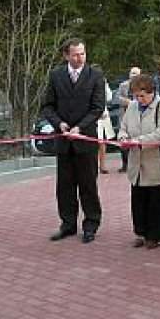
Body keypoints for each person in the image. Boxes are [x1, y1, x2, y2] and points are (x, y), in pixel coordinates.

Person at [41, 37, 105, 244]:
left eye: (83, 53)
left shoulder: (95, 75)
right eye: (75, 54)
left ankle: (91, 224)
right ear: (66, 55)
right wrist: (59, 123)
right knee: (65, 187)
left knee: (88, 185)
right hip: (64, 142)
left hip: (85, 140)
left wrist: (80, 127)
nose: (80, 58)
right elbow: (48, 106)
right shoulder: (56, 75)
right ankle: (67, 224)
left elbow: (97, 107)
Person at [118, 74, 160, 249]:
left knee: (155, 200)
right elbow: (123, 127)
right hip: (136, 162)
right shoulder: (132, 106)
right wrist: (123, 137)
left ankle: (155, 235)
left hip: (155, 161)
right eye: (136, 96)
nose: (139, 99)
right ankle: (140, 232)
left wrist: (139, 141)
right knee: (138, 200)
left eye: (142, 96)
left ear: (151, 92)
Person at [117, 66, 141, 172]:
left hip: (137, 116)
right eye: (132, 73)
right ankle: (125, 164)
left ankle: (137, 163)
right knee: (123, 139)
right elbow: (117, 98)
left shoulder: (143, 86)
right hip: (124, 115)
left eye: (136, 73)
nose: (134, 75)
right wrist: (127, 102)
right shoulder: (123, 85)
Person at [97, 73, 115, 174]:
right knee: (92, 142)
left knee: (102, 141)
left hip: (103, 115)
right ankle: (93, 165)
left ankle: (102, 165)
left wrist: (105, 84)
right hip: (91, 117)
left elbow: (109, 97)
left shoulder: (103, 84)